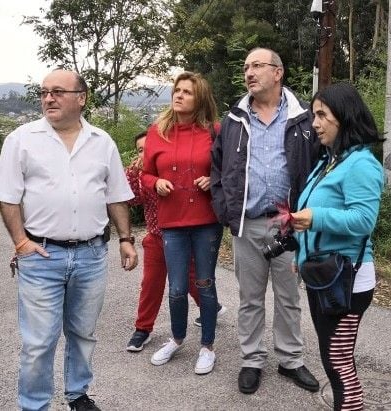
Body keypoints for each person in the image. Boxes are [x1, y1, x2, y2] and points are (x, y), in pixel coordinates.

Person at [0, 69, 138, 411]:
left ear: (81, 98)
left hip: (91, 255)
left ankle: (78, 395)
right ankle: (34, 405)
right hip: (41, 256)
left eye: (57, 91)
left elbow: (115, 195)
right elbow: (6, 196)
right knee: (39, 342)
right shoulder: (21, 139)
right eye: (43, 92)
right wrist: (21, 242)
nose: (48, 98)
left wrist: (126, 239)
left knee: (83, 334)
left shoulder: (102, 142)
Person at [210, 47, 321, 394]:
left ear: (278, 72)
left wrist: (311, 214)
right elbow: (217, 168)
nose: (249, 72)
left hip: (290, 225)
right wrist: (226, 212)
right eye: (246, 67)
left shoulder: (304, 118)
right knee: (250, 297)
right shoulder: (234, 120)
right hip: (247, 224)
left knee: (289, 296)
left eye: (257, 65)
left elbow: (321, 168)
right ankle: (252, 360)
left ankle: (290, 359)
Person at [290, 82, 385, 410]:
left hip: (347, 280)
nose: (314, 123)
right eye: (313, 115)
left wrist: (315, 216)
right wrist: (300, 251)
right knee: (333, 359)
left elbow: (362, 221)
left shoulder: (361, 164)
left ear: (343, 117)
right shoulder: (330, 161)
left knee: (339, 363)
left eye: (321, 115)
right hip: (323, 273)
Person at [142, 71, 223, 375]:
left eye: (187, 92)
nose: (179, 95)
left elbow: (230, 171)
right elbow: (145, 173)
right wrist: (156, 182)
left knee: (205, 282)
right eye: (177, 90)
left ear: (199, 98)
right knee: (176, 286)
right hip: (172, 221)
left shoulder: (215, 132)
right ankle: (176, 338)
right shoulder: (157, 131)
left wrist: (213, 179)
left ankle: (208, 346)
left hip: (206, 221)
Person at [125, 131, 226, 352]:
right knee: (151, 284)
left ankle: (211, 309)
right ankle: (143, 329)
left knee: (192, 280)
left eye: (147, 149)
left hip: (183, 236)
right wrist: (136, 174)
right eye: (140, 150)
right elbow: (132, 199)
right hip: (156, 236)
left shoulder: (172, 167)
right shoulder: (144, 174)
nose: (143, 153)